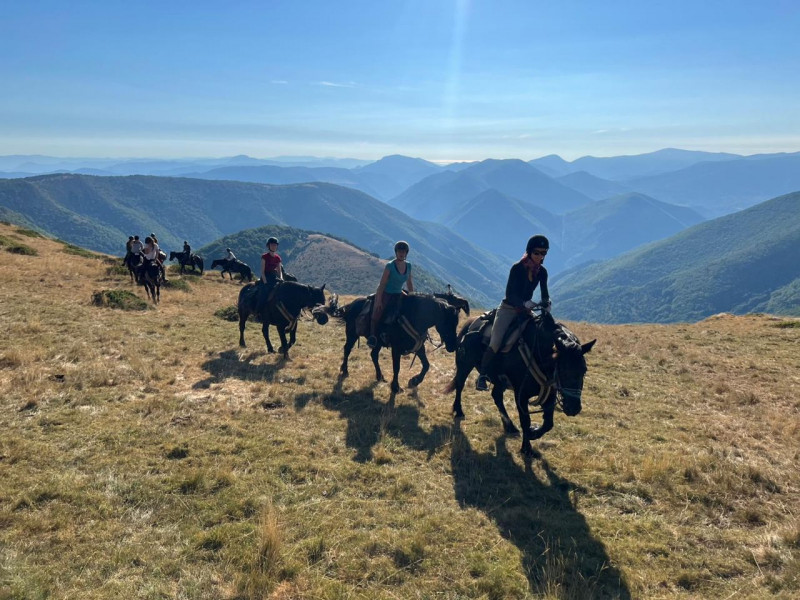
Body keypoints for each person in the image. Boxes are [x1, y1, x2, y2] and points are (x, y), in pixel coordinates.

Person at [475, 234, 551, 391]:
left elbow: (544, 293)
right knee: (495, 342)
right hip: (508, 309)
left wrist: (546, 303)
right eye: (537, 252)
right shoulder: (517, 268)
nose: (540, 256)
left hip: (526, 311)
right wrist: (523, 303)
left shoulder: (542, 272)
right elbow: (510, 294)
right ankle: (482, 376)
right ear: (530, 252)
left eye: (543, 253)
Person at [367, 240, 414, 348]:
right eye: (399, 251)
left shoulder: (409, 265)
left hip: (399, 293)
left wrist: (412, 296)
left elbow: (409, 282)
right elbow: (382, 285)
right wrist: (378, 301)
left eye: (403, 252)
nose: (401, 254)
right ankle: (372, 337)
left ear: (406, 253)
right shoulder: (390, 266)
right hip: (386, 294)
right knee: (376, 315)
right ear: (396, 252)